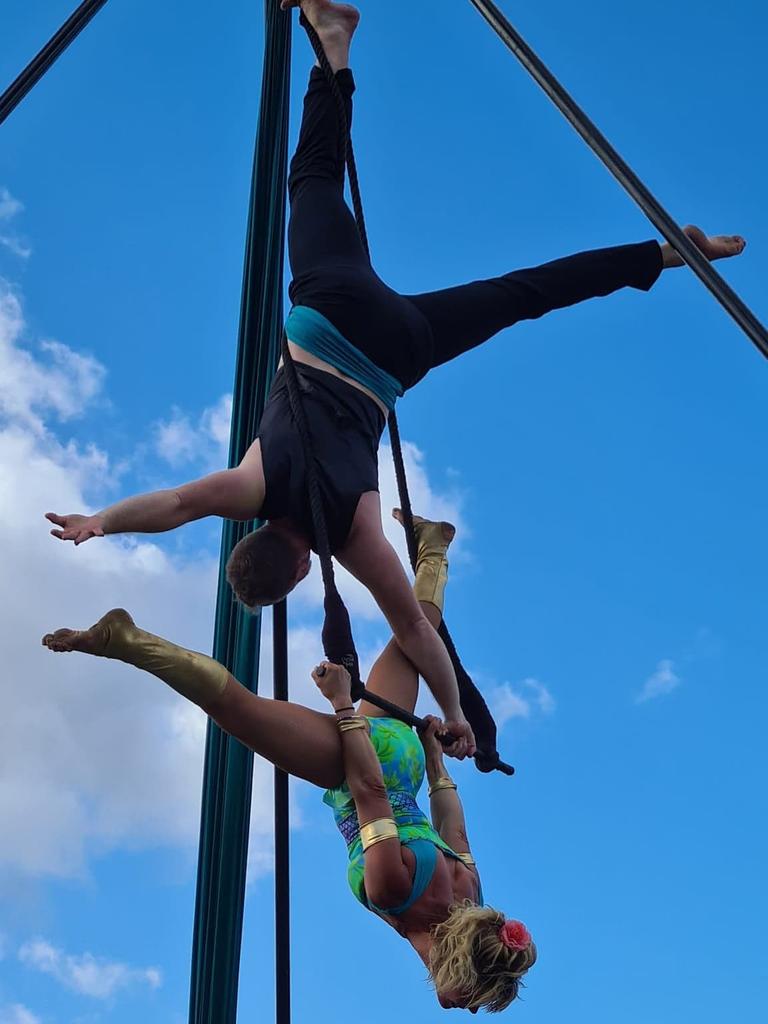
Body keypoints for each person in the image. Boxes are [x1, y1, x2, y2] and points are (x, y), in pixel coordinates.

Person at [45, 0, 746, 756]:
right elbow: (178, 505)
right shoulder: (250, 489)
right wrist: (99, 522)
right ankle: (334, 52)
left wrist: (459, 717)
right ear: (252, 535)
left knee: (524, 294)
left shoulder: (354, 537)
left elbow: (415, 626)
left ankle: (666, 255)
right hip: (332, 311)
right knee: (311, 179)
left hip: (397, 356)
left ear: (302, 567)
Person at [42, 513, 536, 1012]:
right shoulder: (394, 892)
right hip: (363, 765)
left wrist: (433, 758)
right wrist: (342, 705)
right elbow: (368, 791)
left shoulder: (469, 893)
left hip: (403, 760)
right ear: (456, 963)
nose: (460, 1008)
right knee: (238, 709)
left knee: (414, 632)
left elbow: (454, 828)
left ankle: (434, 549)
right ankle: (126, 641)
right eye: (470, 1000)